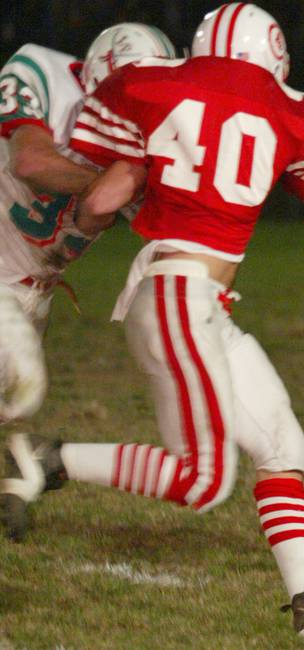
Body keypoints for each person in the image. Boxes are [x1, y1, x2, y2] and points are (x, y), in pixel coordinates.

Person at [1, 4, 304, 637]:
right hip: (181, 300)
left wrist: (74, 234)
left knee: (282, 446)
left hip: (192, 302)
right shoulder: (291, 109)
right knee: (203, 481)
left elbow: (103, 198)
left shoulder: (156, 91)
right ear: (274, 55)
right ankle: (48, 461)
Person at [0, 23, 176, 424]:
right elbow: (29, 161)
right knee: (21, 393)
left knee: (11, 403)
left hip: (33, 288)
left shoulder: (146, 137)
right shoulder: (43, 71)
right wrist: (108, 189)